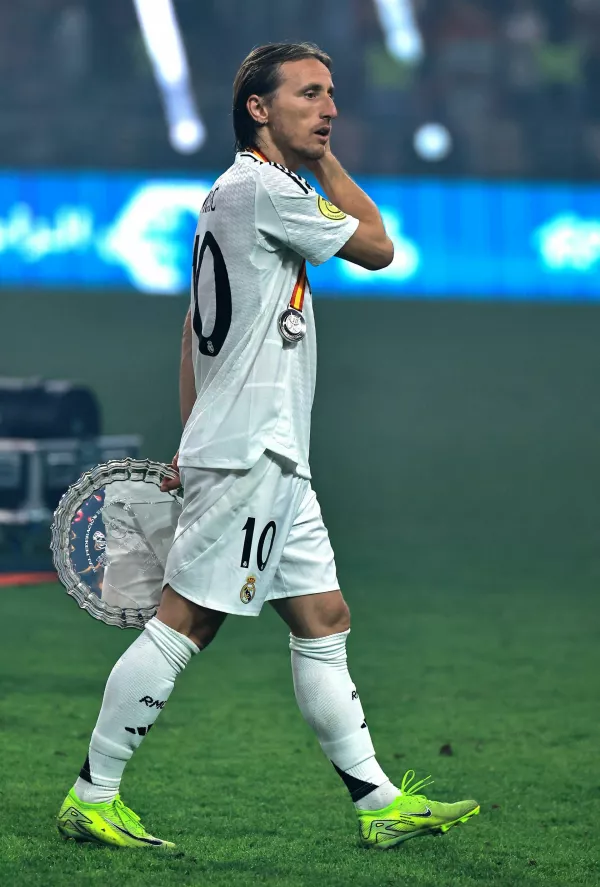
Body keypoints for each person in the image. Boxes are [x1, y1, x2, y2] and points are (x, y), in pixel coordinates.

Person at [57, 42, 479, 851]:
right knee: (187, 622)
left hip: (266, 448)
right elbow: (379, 245)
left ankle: (377, 801)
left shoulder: (230, 194)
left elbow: (192, 332)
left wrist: (189, 437)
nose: (328, 110)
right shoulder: (267, 187)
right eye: (310, 95)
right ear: (259, 107)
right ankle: (93, 792)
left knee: (324, 616)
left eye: (332, 98)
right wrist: (328, 164)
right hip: (254, 445)